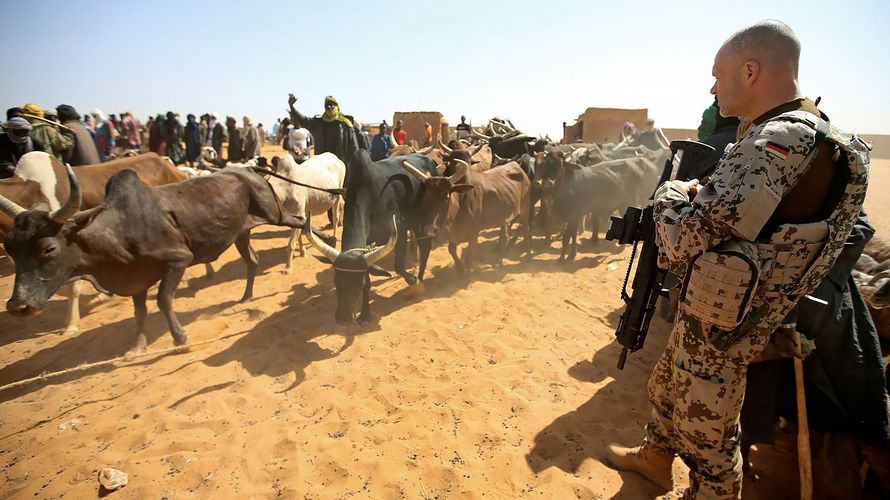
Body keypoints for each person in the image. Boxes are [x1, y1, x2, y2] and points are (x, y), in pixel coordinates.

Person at [606, 20, 871, 499]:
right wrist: (703, 195)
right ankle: (655, 458)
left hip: (727, 321)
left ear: (751, 71)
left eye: (718, 75)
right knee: (668, 385)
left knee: (709, 434)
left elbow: (681, 239)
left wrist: (668, 194)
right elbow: (753, 217)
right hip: (729, 305)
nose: (712, 86)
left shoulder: (779, 142)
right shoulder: (820, 137)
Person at [286, 93, 361, 164]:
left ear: (337, 106)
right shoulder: (318, 123)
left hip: (341, 166)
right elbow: (303, 120)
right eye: (327, 105)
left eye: (332, 105)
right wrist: (292, 107)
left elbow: (354, 148)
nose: (329, 107)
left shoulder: (346, 124)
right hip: (322, 166)